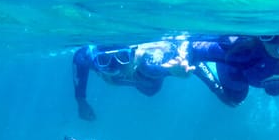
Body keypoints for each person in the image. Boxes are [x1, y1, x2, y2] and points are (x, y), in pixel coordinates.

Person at [72, 39, 201, 120]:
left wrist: (179, 72)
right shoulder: (85, 58)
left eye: (123, 57)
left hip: (149, 85)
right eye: (103, 60)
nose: (114, 65)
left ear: (133, 56)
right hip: (141, 83)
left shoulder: (148, 65)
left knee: (149, 81)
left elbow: (174, 69)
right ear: (95, 60)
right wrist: (81, 101)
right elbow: (79, 58)